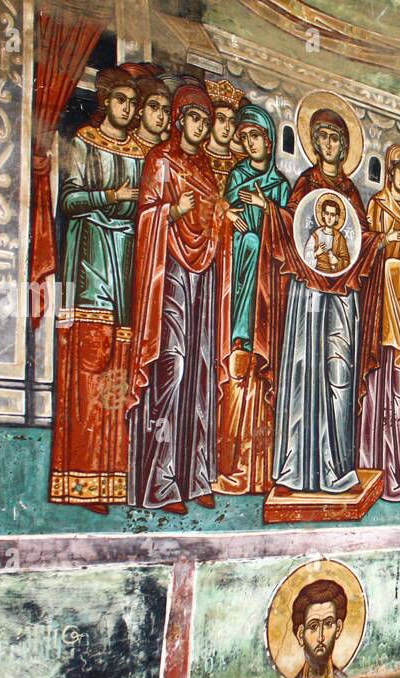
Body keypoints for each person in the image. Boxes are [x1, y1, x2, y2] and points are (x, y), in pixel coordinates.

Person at [240, 100, 381, 496]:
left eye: (336, 138)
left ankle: (337, 467)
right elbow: (289, 228)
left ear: (344, 144)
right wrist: (268, 208)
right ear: (315, 145)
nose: (329, 145)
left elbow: (359, 243)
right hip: (308, 296)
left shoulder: (352, 192)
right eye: (322, 138)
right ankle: (294, 469)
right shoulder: (304, 184)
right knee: (302, 372)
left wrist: (377, 241)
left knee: (339, 377)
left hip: (341, 300)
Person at [126, 84, 240, 514]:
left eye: (206, 120)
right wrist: (171, 212)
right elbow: (147, 216)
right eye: (195, 118)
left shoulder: (207, 170)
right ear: (179, 119)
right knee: (171, 370)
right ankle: (160, 482)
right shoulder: (161, 161)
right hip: (170, 274)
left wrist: (220, 216)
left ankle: (195, 478)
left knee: (200, 373)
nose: (202, 126)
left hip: (203, 278)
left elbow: (210, 213)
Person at [49, 67, 145, 515]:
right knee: (91, 363)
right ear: (106, 102)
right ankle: (81, 477)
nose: (127, 109)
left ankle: (112, 477)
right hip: (90, 262)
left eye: (132, 102)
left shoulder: (142, 152)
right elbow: (68, 200)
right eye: (121, 100)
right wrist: (110, 195)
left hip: (125, 263)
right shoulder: (84, 143)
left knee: (117, 373)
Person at [214, 103, 290, 496]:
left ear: (269, 140)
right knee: (238, 370)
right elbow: (223, 221)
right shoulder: (236, 178)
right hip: (240, 285)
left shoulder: (279, 187)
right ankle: (232, 466)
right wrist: (226, 215)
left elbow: (290, 242)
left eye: (255, 136)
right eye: (243, 138)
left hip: (268, 297)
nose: (248, 143)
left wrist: (269, 211)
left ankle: (261, 472)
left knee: (263, 377)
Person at [358, 144, 400, 502]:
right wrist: (386, 242)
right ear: (390, 170)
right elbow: (365, 249)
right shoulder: (378, 206)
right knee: (380, 392)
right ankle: (375, 468)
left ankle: (399, 473)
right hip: (384, 311)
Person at [291, 579, 349, 678]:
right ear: (300, 635)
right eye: (313, 626)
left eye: (328, 624)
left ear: (338, 628)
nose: (321, 637)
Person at [202, 79, 242, 193]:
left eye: (232, 122)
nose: (227, 127)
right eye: (221, 119)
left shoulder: (238, 166)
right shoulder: (195, 155)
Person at [302, 197, 351, 274]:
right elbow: (306, 257)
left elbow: (346, 261)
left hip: (332, 274)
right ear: (323, 214)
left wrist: (337, 261)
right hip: (315, 273)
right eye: (327, 213)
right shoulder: (316, 235)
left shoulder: (339, 238)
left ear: (337, 218)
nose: (329, 217)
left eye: (332, 215)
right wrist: (316, 253)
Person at [128, 75, 170, 154]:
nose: (161, 116)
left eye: (166, 111)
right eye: (154, 107)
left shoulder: (168, 152)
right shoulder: (124, 141)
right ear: (141, 111)